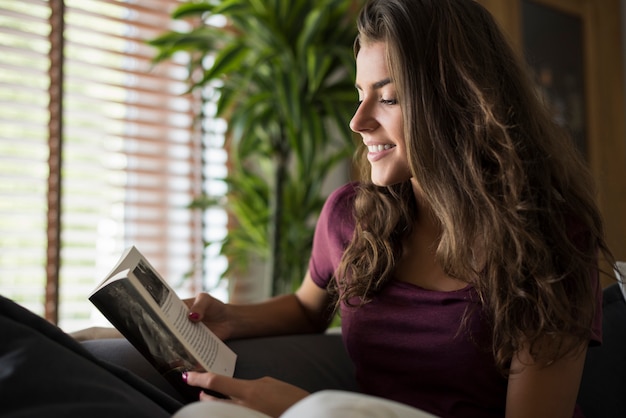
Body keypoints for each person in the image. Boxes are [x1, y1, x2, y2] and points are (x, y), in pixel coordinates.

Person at [178, 0, 615, 417]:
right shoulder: (350, 215)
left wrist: (303, 412)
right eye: (360, 93)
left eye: (388, 98)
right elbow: (308, 308)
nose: (358, 120)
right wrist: (229, 317)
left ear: (461, 101)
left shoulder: (547, 241)